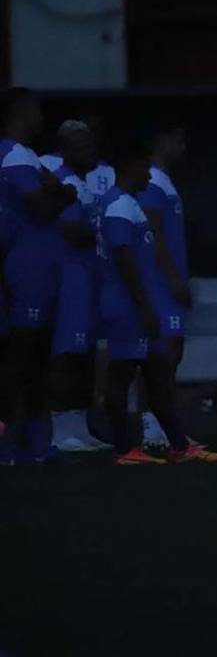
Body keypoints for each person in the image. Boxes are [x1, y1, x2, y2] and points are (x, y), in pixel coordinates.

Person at [97, 147, 217, 464]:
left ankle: (179, 445)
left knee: (157, 374)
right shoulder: (118, 206)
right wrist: (143, 307)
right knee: (121, 375)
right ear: (129, 167)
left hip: (138, 305)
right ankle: (125, 449)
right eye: (144, 168)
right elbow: (125, 262)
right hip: (128, 308)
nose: (149, 175)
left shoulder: (127, 203)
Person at [0, 87, 74, 464]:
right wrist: (61, 196)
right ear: (19, 111)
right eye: (35, 109)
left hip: (38, 267)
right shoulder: (14, 154)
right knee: (21, 355)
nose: (41, 116)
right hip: (23, 266)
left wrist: (60, 195)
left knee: (35, 356)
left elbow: (59, 193)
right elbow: (46, 206)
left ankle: (34, 440)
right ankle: (9, 441)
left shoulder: (27, 156)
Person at [48, 120, 114, 452]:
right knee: (66, 355)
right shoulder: (60, 183)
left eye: (92, 143)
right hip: (70, 278)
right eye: (83, 145)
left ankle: (80, 427)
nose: (92, 150)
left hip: (89, 279)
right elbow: (72, 233)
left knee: (85, 354)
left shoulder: (82, 183)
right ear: (66, 149)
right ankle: (59, 430)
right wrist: (101, 232)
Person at [135, 119, 192, 448]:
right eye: (178, 139)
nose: (182, 147)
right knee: (161, 356)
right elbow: (154, 233)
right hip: (159, 284)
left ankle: (159, 424)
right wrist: (172, 278)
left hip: (167, 283)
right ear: (162, 139)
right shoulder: (153, 181)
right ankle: (151, 426)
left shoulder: (164, 181)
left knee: (170, 354)